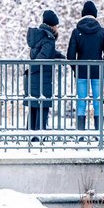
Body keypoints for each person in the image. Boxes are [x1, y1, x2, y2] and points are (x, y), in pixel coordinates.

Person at [67, 0, 104, 133]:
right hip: (98, 72)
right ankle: (99, 134)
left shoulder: (76, 32)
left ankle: (80, 134)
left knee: (81, 102)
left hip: (81, 72)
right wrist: (102, 66)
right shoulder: (102, 32)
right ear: (95, 15)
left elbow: (70, 55)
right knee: (98, 102)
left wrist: (76, 68)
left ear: (82, 15)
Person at [24, 10, 64, 141]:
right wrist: (33, 69)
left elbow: (45, 52)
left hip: (34, 79)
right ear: (53, 26)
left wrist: (60, 56)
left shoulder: (40, 36)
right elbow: (43, 57)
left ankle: (31, 138)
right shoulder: (49, 39)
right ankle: (39, 139)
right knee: (43, 107)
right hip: (42, 79)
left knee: (34, 108)